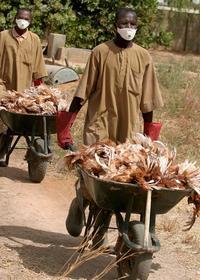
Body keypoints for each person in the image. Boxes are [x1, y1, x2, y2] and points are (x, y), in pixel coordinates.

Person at [57, 7, 164, 245]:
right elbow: (81, 93)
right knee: (95, 176)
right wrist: (66, 125)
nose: (129, 29)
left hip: (126, 132)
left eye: (133, 25)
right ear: (115, 25)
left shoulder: (143, 57)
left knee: (118, 181)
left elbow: (147, 101)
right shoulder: (100, 52)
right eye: (124, 24)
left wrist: (149, 135)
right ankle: (81, 202)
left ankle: (107, 232)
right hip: (99, 127)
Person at [0, 8, 47, 166]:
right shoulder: (3, 37)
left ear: (30, 21)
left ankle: (27, 152)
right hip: (3, 87)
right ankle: (1, 148)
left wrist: (41, 94)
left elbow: (38, 71)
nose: (22, 20)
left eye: (26, 18)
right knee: (2, 118)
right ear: (15, 18)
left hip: (24, 91)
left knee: (24, 120)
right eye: (20, 17)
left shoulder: (34, 40)